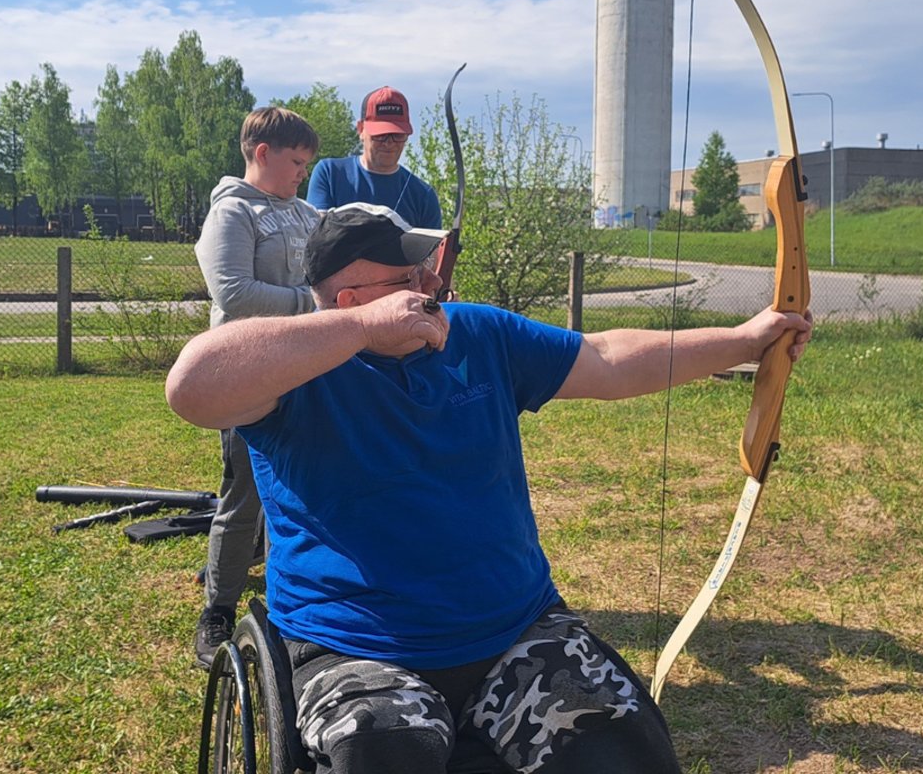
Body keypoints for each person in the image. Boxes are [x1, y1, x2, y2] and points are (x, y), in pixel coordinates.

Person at [166, 203, 812, 774]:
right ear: (350, 299)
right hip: (352, 644)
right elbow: (191, 387)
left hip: (514, 630)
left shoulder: (476, 333)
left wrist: (744, 341)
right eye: (408, 280)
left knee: (622, 741)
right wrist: (361, 334)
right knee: (381, 747)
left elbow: (608, 358)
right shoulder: (293, 368)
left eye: (427, 273)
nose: (431, 286)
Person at [191, 106, 322, 667]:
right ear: (261, 154)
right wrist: (309, 305)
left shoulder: (305, 212)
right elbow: (234, 293)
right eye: (295, 162)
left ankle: (294, 598)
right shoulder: (233, 213)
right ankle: (217, 609)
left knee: (303, 489)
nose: (302, 174)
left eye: (308, 165)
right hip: (245, 369)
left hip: (304, 367)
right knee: (244, 492)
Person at [306, 85, 441, 228]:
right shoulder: (330, 173)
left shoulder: (423, 195)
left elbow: (433, 249)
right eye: (380, 135)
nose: (389, 143)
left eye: (397, 135)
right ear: (360, 129)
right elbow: (317, 237)